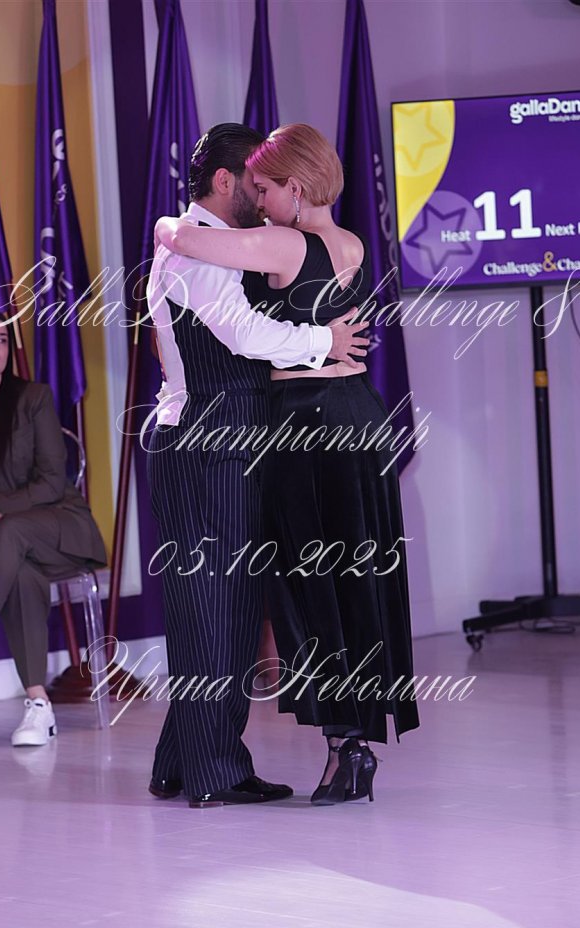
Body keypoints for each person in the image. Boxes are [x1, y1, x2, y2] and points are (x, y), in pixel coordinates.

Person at [155, 123, 420, 805]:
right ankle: (209, 765)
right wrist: (324, 341)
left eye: (268, 185)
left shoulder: (271, 242)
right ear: (227, 180)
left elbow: (190, 249)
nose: (260, 195)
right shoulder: (346, 242)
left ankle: (314, 751)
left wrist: (167, 225)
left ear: (294, 187)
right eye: (253, 182)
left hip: (303, 431)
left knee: (284, 599)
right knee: (271, 598)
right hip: (319, 423)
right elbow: (240, 327)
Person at [0, 307, 106, 746]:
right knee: (19, 572)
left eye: (1, 339)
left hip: (58, 525)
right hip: (0, 547)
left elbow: (53, 480)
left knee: (11, 531)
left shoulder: (32, 398)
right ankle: (39, 706)